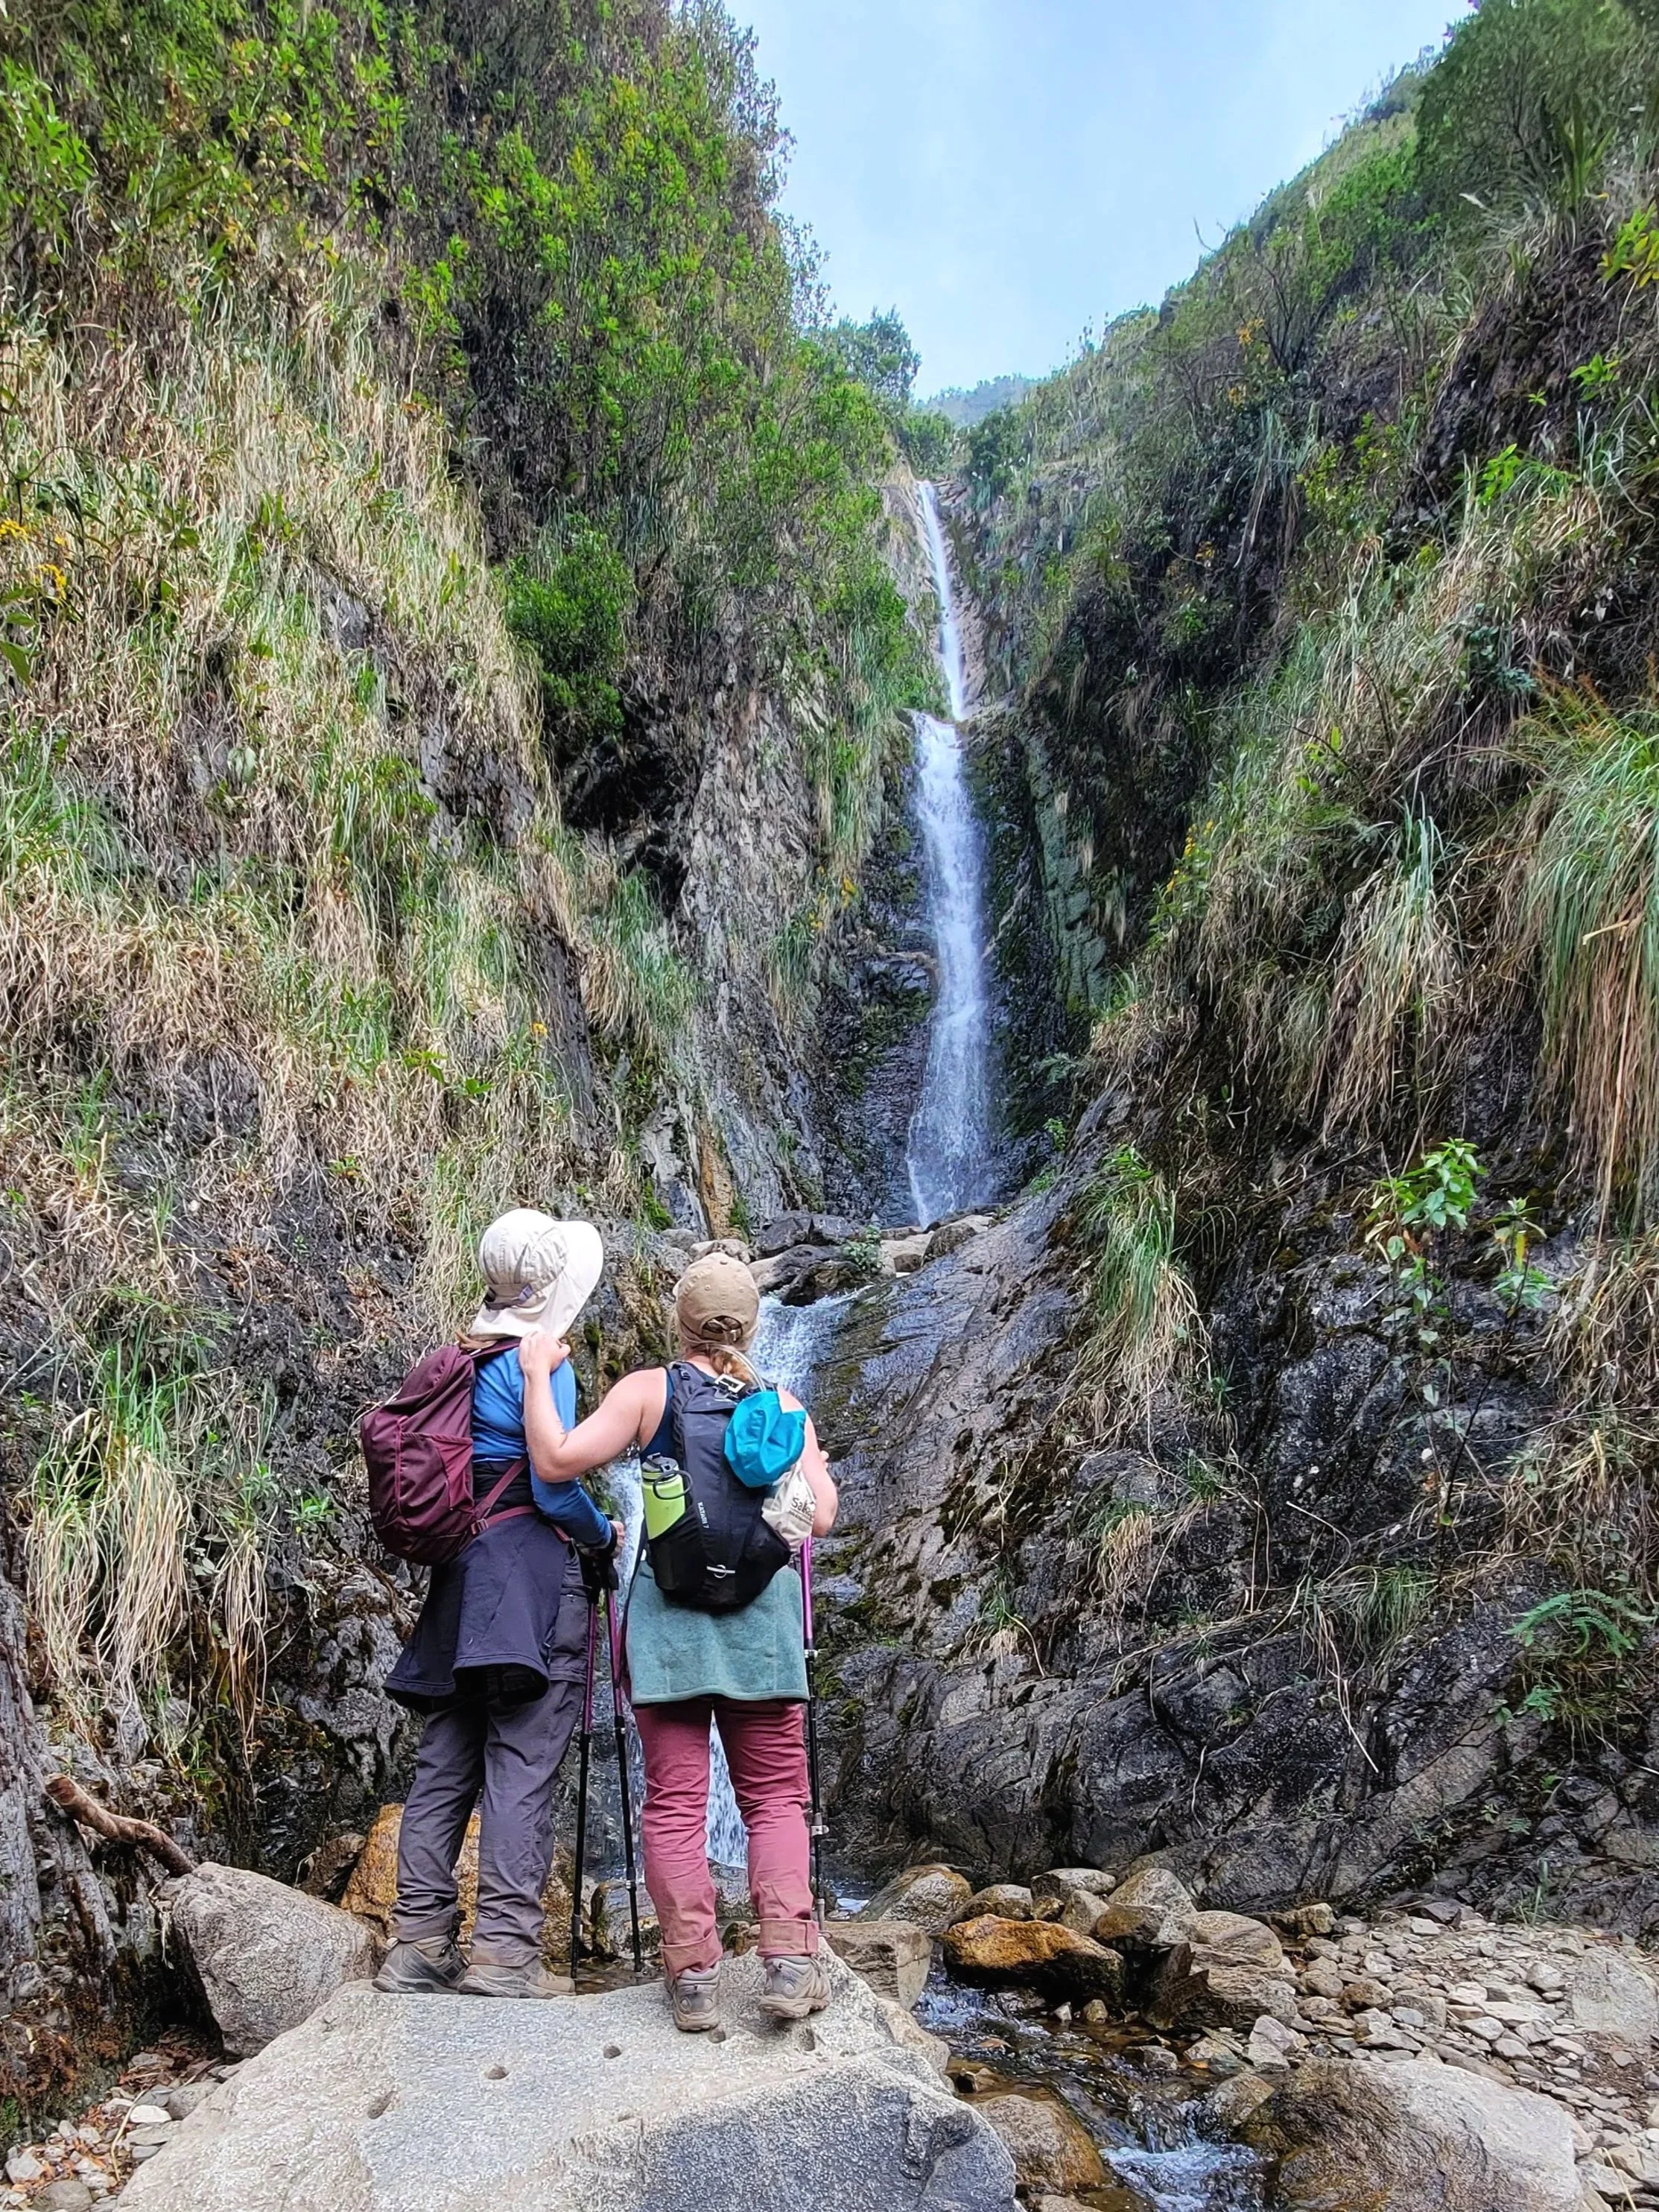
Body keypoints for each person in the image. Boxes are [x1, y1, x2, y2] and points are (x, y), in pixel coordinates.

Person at [517, 1250, 838, 2033]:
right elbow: (822, 1516)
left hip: (668, 1628)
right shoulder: (781, 1403)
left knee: (673, 1805)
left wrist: (533, 1374)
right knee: (775, 1799)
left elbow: (554, 1461)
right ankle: (788, 1962)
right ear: (750, 1327)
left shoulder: (647, 1390)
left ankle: (692, 1976)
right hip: (761, 1627)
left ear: (680, 1322)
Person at [375, 1209, 621, 2000]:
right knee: (521, 1761)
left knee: (445, 1759)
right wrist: (602, 1534)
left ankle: (418, 1942)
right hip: (529, 1582)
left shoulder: (457, 1360)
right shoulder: (539, 1362)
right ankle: (505, 1954)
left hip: (458, 1575)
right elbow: (552, 1484)